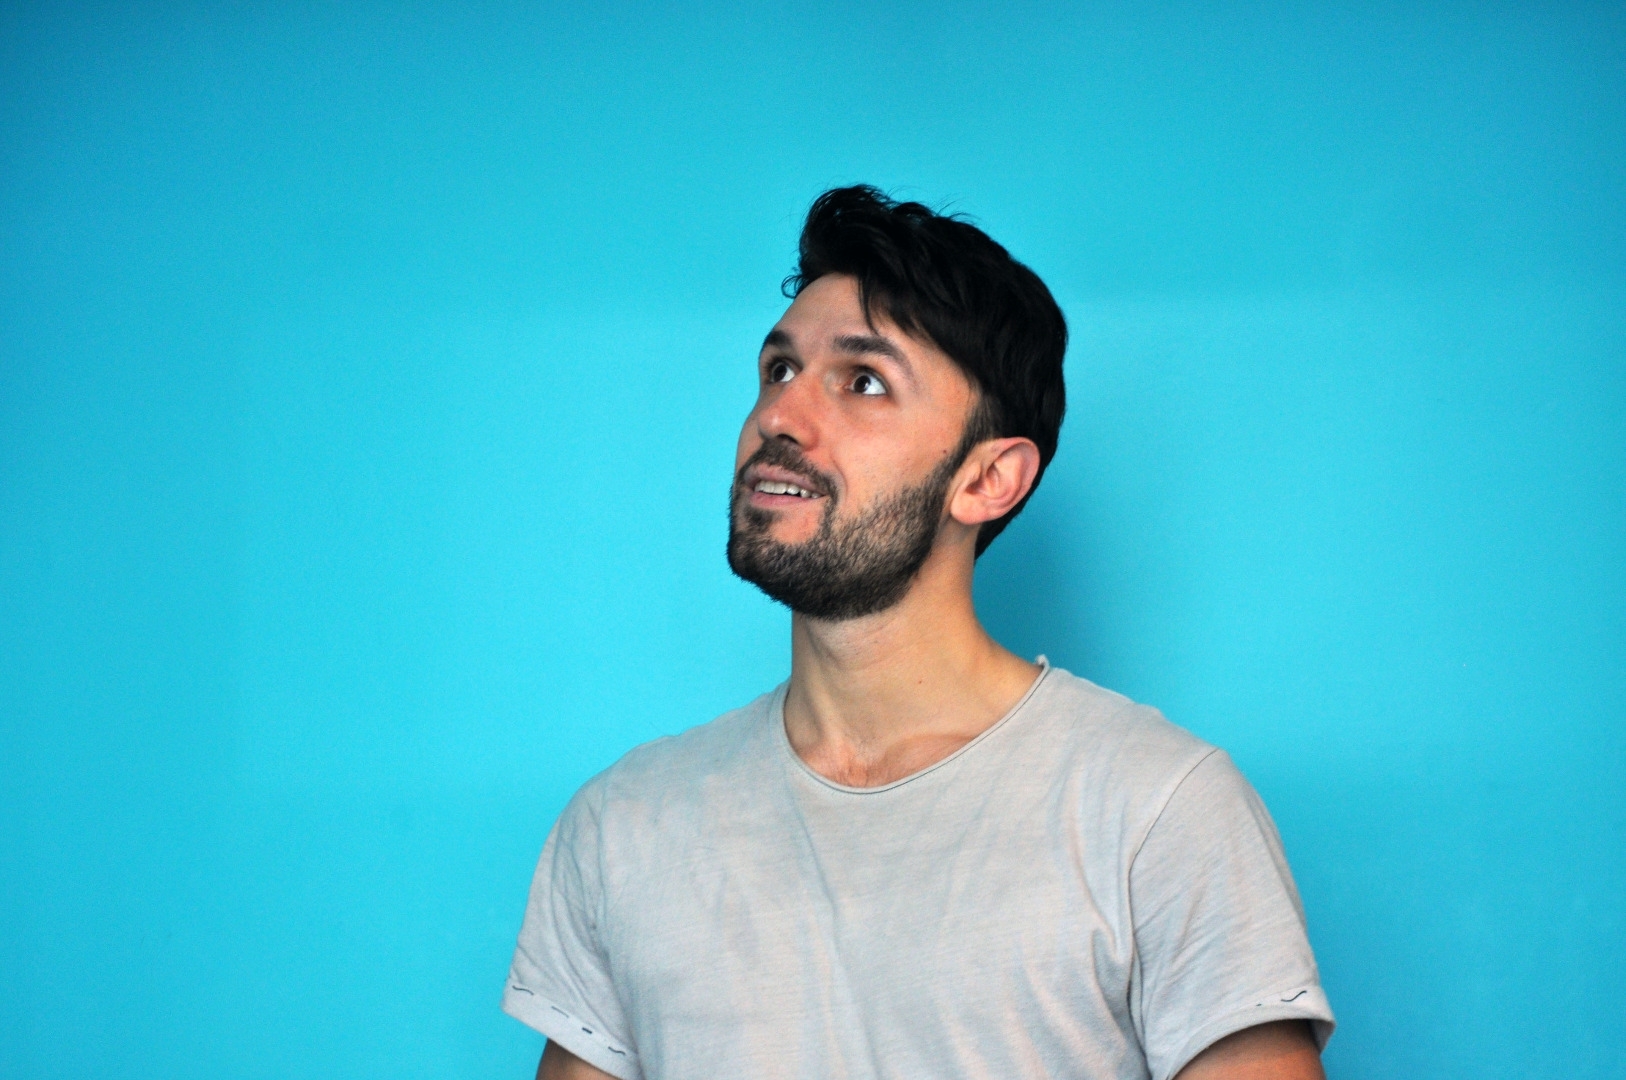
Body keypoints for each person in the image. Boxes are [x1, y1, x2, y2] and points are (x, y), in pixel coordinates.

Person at [503, 186, 1335, 1080]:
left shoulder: (1157, 811)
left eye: (863, 381)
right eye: (779, 370)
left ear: (987, 480)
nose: (778, 416)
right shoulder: (623, 825)